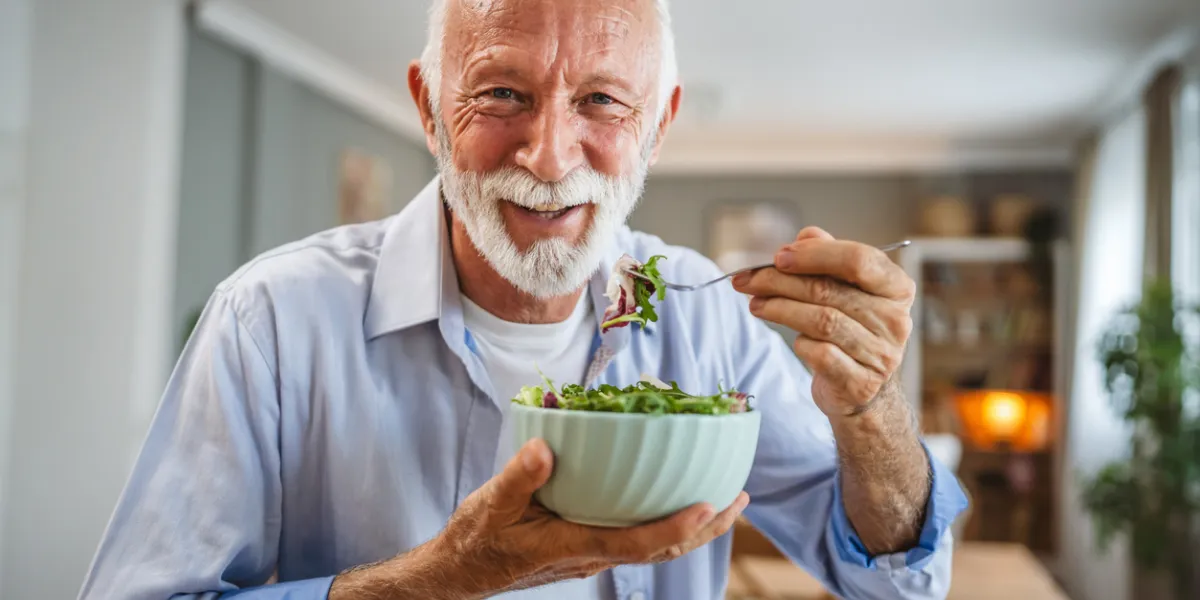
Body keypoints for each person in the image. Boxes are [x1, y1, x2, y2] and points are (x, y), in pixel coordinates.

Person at [79, 0, 967, 598]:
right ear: (430, 108)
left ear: (658, 122)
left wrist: (871, 407)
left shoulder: (705, 317)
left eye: (603, 102)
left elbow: (892, 579)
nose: (549, 155)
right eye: (503, 93)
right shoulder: (271, 323)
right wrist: (445, 576)